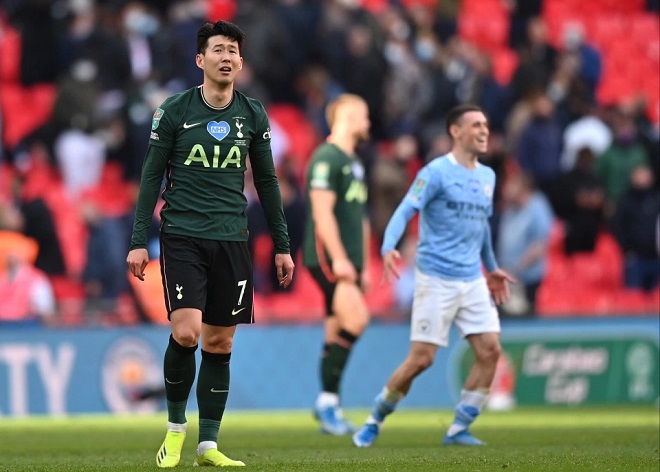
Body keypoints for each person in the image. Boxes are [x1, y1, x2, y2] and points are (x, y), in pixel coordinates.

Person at [126, 21, 295, 468]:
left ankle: (209, 446)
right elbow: (149, 176)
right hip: (182, 236)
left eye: (233, 50)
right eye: (217, 49)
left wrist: (281, 243)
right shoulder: (175, 110)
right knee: (186, 332)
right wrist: (139, 239)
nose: (226, 56)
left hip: (233, 239)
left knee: (220, 344)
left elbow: (267, 180)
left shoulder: (253, 115)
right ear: (200, 60)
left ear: (240, 62)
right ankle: (176, 430)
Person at [352, 104, 515, 448]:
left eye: (486, 124)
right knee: (421, 359)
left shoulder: (488, 177)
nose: (484, 131)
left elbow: (481, 226)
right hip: (436, 278)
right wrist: (388, 246)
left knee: (490, 349)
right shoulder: (436, 172)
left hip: (472, 278)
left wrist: (492, 266)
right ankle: (375, 418)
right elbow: (406, 208)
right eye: (476, 125)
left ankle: (459, 428)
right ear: (455, 132)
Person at [302, 94, 371, 436]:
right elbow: (321, 210)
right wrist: (341, 258)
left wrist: (365, 265)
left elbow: (361, 217)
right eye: (363, 115)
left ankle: (329, 404)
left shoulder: (353, 162)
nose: (368, 122)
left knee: (336, 330)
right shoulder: (326, 157)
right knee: (357, 319)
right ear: (345, 116)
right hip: (329, 258)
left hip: (350, 262)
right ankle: (326, 403)